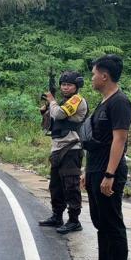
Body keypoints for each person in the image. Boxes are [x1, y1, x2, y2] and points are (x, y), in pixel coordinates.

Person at [81, 55, 131, 260]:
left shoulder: (120, 102)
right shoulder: (104, 102)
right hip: (95, 169)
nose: (92, 78)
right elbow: (96, 141)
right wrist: (86, 171)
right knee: (100, 221)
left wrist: (110, 174)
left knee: (112, 222)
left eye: (94, 74)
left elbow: (119, 140)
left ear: (104, 76)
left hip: (108, 172)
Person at [38, 71, 88, 234]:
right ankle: (56, 216)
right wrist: (45, 110)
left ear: (76, 86)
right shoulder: (63, 101)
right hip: (58, 148)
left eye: (69, 85)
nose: (65, 87)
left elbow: (59, 113)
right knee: (56, 185)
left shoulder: (76, 100)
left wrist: (51, 101)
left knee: (71, 185)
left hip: (71, 148)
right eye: (63, 84)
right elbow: (49, 123)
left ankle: (74, 220)